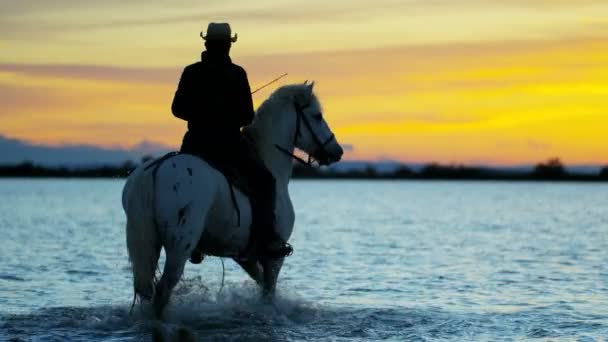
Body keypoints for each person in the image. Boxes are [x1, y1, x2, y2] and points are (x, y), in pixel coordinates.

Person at [171, 22, 292, 263]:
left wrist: (202, 113)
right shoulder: (237, 74)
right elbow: (247, 116)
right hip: (228, 144)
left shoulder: (191, 71)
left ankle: (185, 235)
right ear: (228, 45)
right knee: (265, 181)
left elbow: (177, 109)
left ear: (206, 44)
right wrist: (225, 114)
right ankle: (267, 237)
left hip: (195, 143)